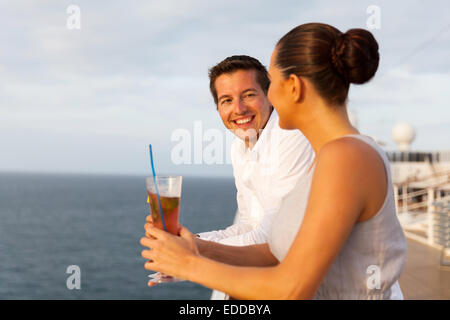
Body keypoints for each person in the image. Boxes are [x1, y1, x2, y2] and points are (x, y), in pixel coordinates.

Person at [141, 22, 407, 299]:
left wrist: (188, 265)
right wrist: (194, 247)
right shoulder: (329, 156)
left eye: (272, 81)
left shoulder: (347, 158)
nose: (268, 96)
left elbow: (291, 290)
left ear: (293, 87)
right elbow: (273, 251)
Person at [145, 55, 314, 299]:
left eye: (248, 95)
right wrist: (188, 241)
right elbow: (249, 223)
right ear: (218, 109)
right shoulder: (241, 148)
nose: (239, 109)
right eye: (227, 100)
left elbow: (272, 240)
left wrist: (191, 252)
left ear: (270, 96)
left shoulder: (290, 137)